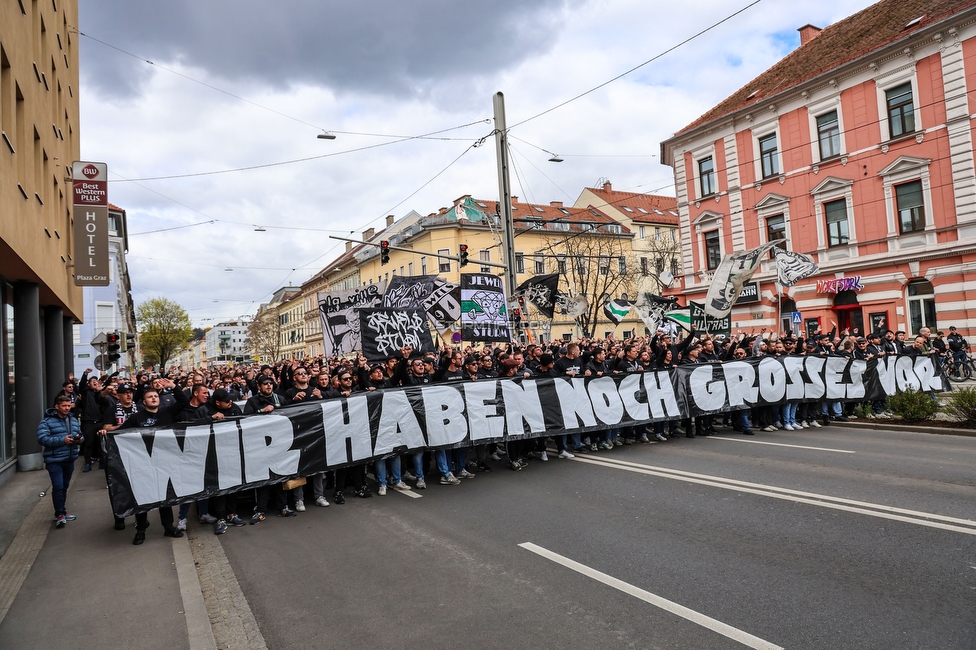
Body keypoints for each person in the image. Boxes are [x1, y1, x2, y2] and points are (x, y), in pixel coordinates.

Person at [117, 380, 190, 545]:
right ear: (144, 402)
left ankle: (168, 527)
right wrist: (106, 432)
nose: (154, 398)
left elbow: (184, 402)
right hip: (143, 464)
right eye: (150, 397)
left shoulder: (167, 412)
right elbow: (120, 435)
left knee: (166, 497)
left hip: (164, 462)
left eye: (156, 396)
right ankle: (141, 530)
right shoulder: (136, 418)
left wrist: (173, 386)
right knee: (143, 497)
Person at [37, 395, 83, 528]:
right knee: (57, 486)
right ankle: (59, 513)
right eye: (64, 406)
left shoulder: (73, 420)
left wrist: (79, 439)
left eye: (69, 406)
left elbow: (80, 434)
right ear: (56, 406)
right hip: (54, 459)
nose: (67, 408)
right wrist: (62, 440)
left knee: (64, 486)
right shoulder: (46, 422)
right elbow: (42, 439)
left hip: (69, 458)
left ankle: (62, 510)